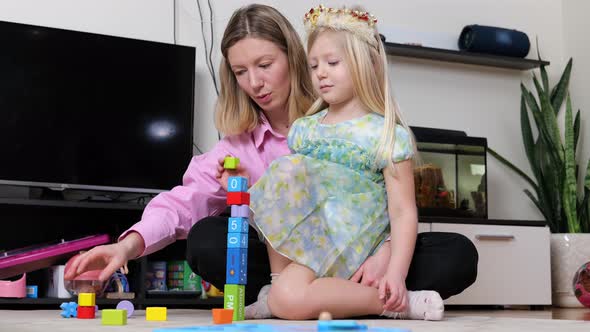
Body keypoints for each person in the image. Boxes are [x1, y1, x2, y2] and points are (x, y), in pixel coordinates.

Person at [65, 3, 478, 319]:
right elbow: (184, 202)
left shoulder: (361, 126)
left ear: (293, 58)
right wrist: (127, 246)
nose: (255, 83)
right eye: (241, 72)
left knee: (456, 253)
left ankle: (366, 292)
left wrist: (385, 253)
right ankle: (298, 295)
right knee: (208, 239)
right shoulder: (243, 146)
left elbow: (391, 204)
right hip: (292, 261)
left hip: (365, 245)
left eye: (264, 65)